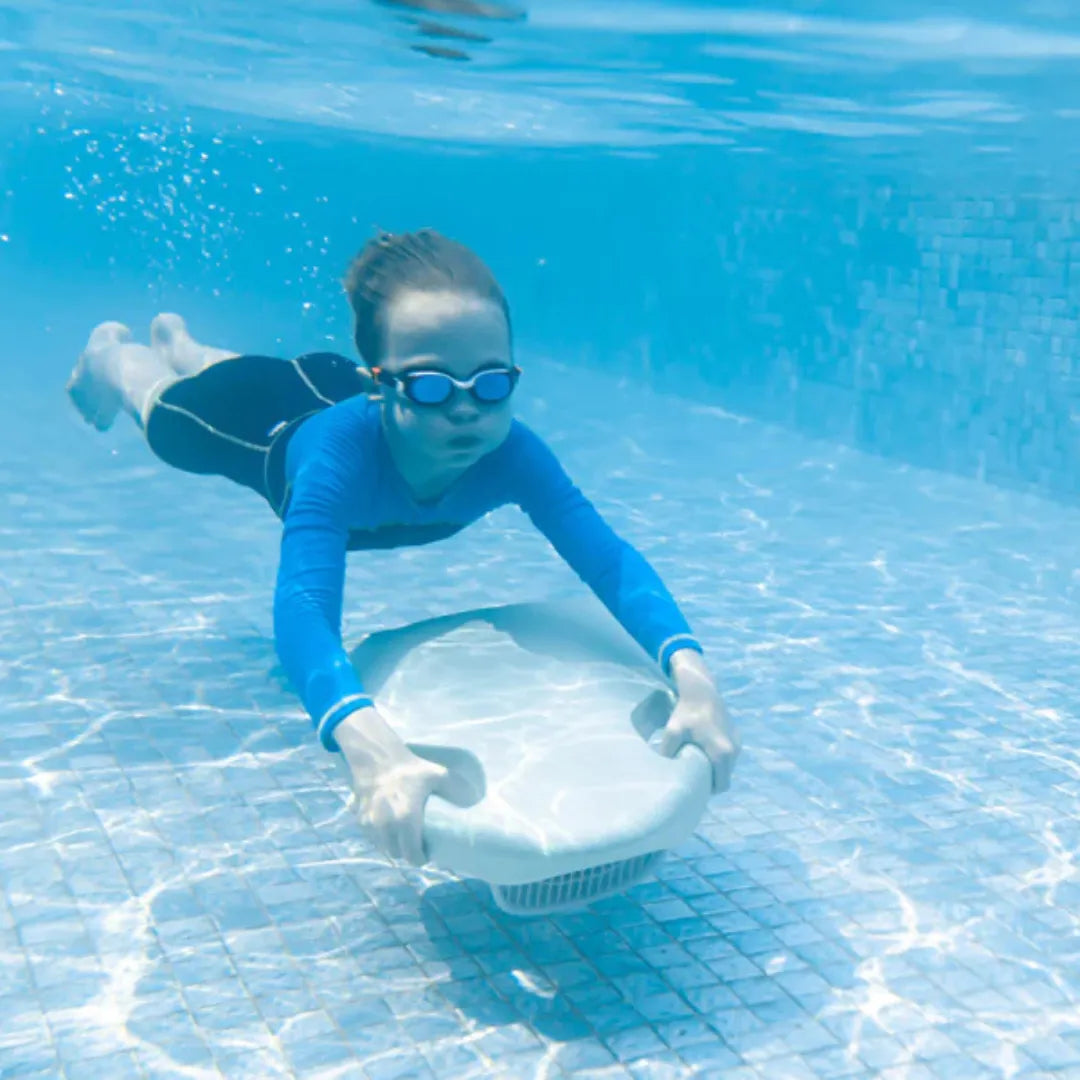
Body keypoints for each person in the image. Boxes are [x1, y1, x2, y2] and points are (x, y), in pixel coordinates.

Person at [66, 228, 741, 866]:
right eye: (432, 387)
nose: (466, 409)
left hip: (331, 380)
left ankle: (184, 339)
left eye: (491, 381)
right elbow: (303, 608)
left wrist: (695, 676)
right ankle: (120, 354)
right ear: (385, 384)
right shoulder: (336, 465)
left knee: (265, 372)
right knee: (170, 410)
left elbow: (609, 560)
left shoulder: (511, 452)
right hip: (255, 422)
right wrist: (368, 743)